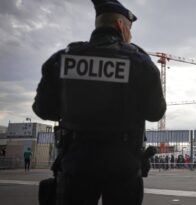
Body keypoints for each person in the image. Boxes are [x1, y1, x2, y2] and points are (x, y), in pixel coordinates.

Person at [32, 0, 166, 204]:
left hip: (75, 162)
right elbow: (155, 112)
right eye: (129, 29)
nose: (130, 35)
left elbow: (43, 109)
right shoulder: (140, 63)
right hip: (124, 165)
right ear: (121, 25)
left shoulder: (62, 59)